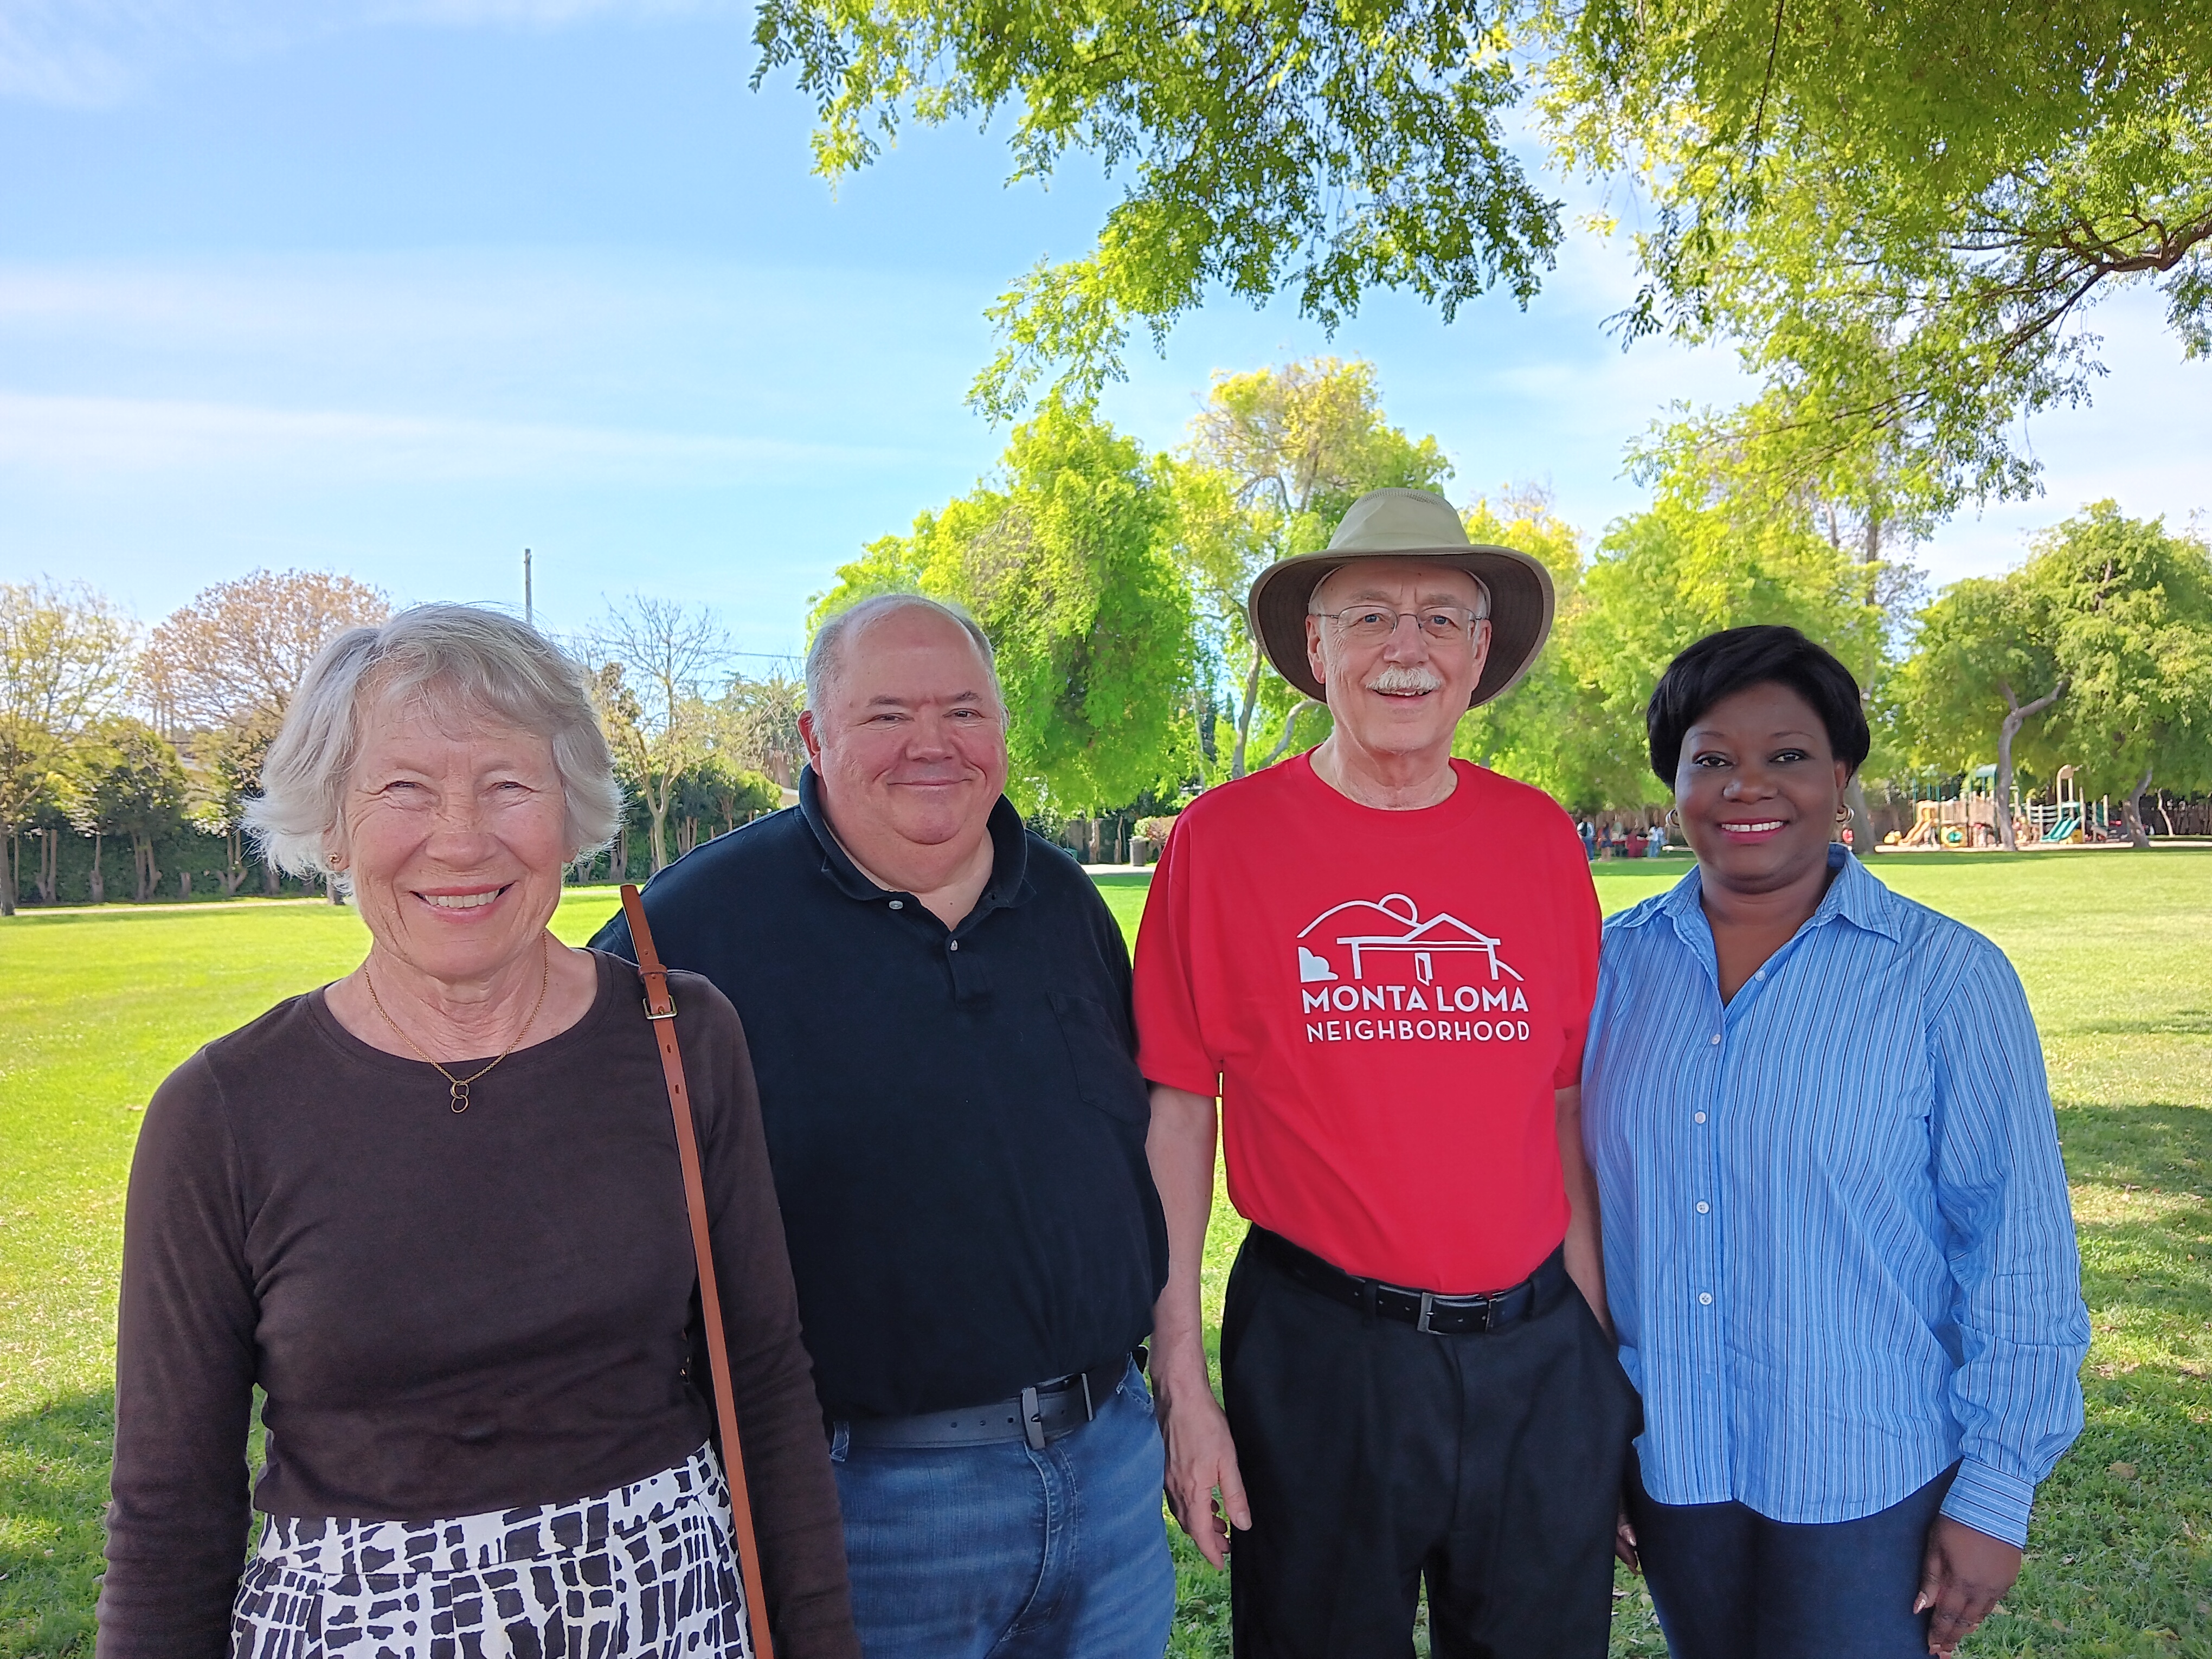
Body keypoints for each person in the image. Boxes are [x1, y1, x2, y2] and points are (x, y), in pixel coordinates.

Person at [99, 606, 857, 1659]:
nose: (460, 838)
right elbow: (169, 1517)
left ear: (569, 808)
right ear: (333, 825)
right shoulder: (222, 1114)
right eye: (403, 788)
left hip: (668, 1618)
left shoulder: (681, 1038)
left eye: (508, 784)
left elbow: (766, 1388)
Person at [591, 594, 1174, 1658]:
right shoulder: (689, 930)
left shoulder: (1064, 905)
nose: (933, 745)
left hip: (1112, 1470)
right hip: (861, 1506)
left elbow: (1136, 1144)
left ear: (1002, 732)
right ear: (814, 738)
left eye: (964, 710)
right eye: (888, 714)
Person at [1135, 486, 1639, 1657]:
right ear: (1315, 650)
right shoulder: (1222, 844)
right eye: (1367, 617)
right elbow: (1176, 1117)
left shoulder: (1538, 841)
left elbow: (1565, 1118)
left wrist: (1598, 1375)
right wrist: (1183, 1381)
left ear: (1479, 656)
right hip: (1322, 1358)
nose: (1404, 648)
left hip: (1536, 1356)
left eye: (1440, 619)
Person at [1581, 625, 2089, 1659]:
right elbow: (1574, 1214)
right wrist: (1592, 1445)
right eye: (1711, 759)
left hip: (1868, 1476)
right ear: (1672, 781)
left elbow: (2018, 1246)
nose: (1747, 786)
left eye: (1789, 756)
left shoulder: (1947, 978)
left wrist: (1995, 1493)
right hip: (1673, 1464)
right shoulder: (1605, 974)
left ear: (1843, 775)